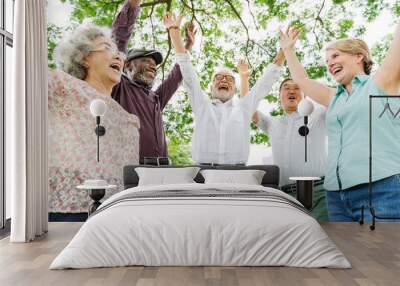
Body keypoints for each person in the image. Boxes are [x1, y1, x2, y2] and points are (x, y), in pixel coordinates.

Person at [280, 25, 400, 222]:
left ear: (358, 56)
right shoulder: (333, 97)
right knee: (345, 253)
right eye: (327, 61)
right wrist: (288, 50)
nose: (330, 63)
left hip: (381, 190)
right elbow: (301, 79)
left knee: (383, 253)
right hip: (336, 197)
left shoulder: (381, 82)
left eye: (335, 56)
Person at [163, 12, 284, 165]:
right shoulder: (201, 104)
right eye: (218, 77)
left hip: (237, 175)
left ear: (235, 88)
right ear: (211, 86)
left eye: (230, 78)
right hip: (202, 174)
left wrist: (284, 51)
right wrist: (174, 33)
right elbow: (187, 70)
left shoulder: (244, 107)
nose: (224, 80)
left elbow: (265, 82)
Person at [48, 24, 139, 214]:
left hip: (115, 211)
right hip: (68, 212)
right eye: (107, 47)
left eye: (119, 54)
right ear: (84, 58)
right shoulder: (63, 85)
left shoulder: (126, 116)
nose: (118, 57)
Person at [111, 0, 196, 165]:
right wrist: (133, 6)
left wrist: (188, 45)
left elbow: (177, 75)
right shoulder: (119, 86)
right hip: (130, 169)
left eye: (155, 64)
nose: (153, 65)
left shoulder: (156, 98)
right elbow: (117, 42)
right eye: (146, 60)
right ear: (127, 64)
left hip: (162, 170)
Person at [246, 76, 328, 220]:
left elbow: (332, 99)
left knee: (324, 236)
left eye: (297, 88)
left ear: (305, 95)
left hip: (318, 193)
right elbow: (247, 107)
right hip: (285, 196)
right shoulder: (271, 123)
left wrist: (308, 85)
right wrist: (245, 77)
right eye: (287, 88)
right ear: (280, 96)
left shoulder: (319, 116)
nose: (292, 91)